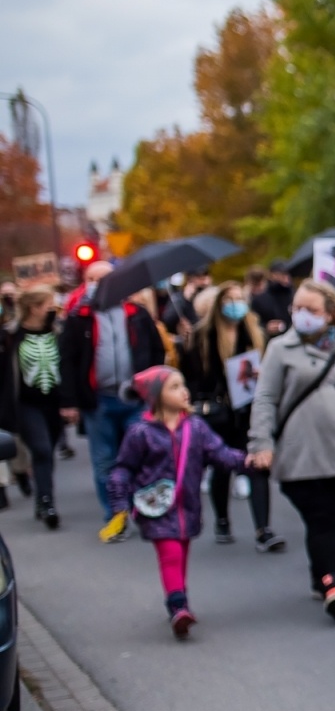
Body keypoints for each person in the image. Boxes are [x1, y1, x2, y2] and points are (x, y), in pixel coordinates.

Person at [249, 280, 335, 622]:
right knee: (324, 518)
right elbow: (265, 398)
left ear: (331, 314)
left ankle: (322, 575)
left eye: (312, 309)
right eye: (298, 308)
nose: (302, 315)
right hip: (302, 454)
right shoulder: (280, 349)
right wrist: (261, 443)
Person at [106, 366, 253, 638]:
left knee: (181, 553)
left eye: (183, 385)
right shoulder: (141, 432)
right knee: (171, 553)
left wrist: (248, 462)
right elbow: (122, 468)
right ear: (156, 397)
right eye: (174, 387)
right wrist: (119, 502)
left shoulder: (196, 427)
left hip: (187, 507)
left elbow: (220, 453)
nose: (184, 392)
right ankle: (178, 605)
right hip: (156, 509)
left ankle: (178, 598)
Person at [59, 261, 168, 534]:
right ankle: (116, 515)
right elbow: (67, 361)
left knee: (140, 455)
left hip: (134, 398)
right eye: (93, 279)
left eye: (106, 279)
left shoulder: (137, 314)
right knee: (105, 461)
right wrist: (69, 401)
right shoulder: (79, 318)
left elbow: (156, 350)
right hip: (98, 400)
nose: (100, 285)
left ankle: (143, 509)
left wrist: (154, 387)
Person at [178, 281, 284, 553]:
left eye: (239, 299)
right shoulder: (202, 336)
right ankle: (222, 520)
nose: (235, 305)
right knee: (222, 466)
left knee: (257, 464)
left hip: (249, 411)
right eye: (229, 300)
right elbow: (191, 376)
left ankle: (263, 529)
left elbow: (271, 369)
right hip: (218, 414)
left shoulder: (255, 334)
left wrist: (261, 375)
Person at [0, 289, 67, 528]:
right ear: (34, 308)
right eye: (49, 305)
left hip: (54, 403)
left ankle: (42, 496)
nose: (53, 309)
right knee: (41, 448)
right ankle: (48, 503)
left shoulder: (58, 331)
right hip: (26, 403)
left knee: (48, 451)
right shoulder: (11, 336)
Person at [250, 260, 295, 337]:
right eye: (281, 274)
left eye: (287, 273)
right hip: (271, 339)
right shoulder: (259, 300)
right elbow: (253, 324)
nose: (285, 277)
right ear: (272, 275)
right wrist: (266, 328)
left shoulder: (295, 295)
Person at [163, 269, 211, 338]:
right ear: (190, 279)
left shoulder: (211, 294)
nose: (205, 281)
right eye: (200, 278)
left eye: (206, 276)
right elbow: (168, 318)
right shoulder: (179, 297)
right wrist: (185, 299)